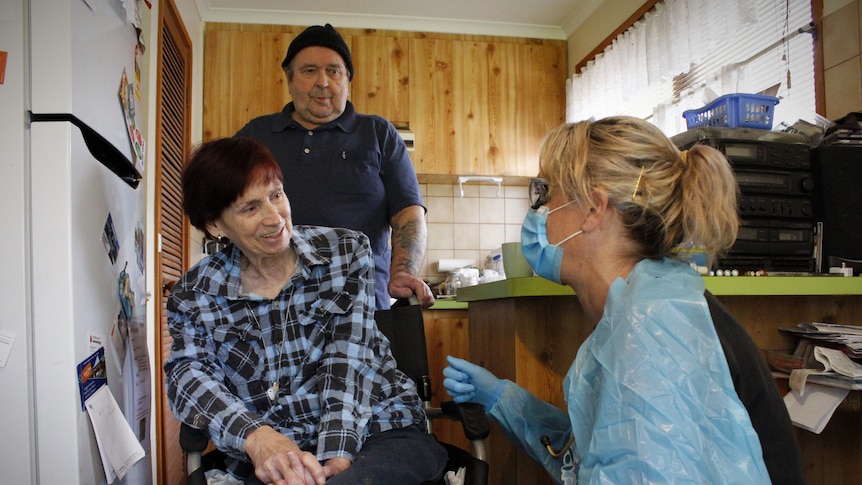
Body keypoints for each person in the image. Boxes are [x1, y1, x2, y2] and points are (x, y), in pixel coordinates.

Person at [442, 117, 805, 484]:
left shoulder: (652, 331)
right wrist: (506, 400)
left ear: (593, 209)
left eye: (545, 193)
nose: (538, 210)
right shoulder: (647, 304)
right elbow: (605, 453)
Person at [164, 137, 447, 485]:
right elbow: (189, 377)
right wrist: (258, 437)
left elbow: (349, 359)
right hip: (279, 450)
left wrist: (336, 454)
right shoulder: (194, 293)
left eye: (276, 195)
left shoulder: (344, 251)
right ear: (214, 225)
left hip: (379, 428)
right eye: (250, 209)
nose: (274, 218)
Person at [235, 23, 433, 311]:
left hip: (361, 304)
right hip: (272, 307)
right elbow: (221, 202)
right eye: (309, 70)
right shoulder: (255, 136)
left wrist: (404, 270)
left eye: (334, 71)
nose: (323, 82)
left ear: (347, 80)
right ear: (289, 80)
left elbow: (408, 213)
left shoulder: (379, 134)